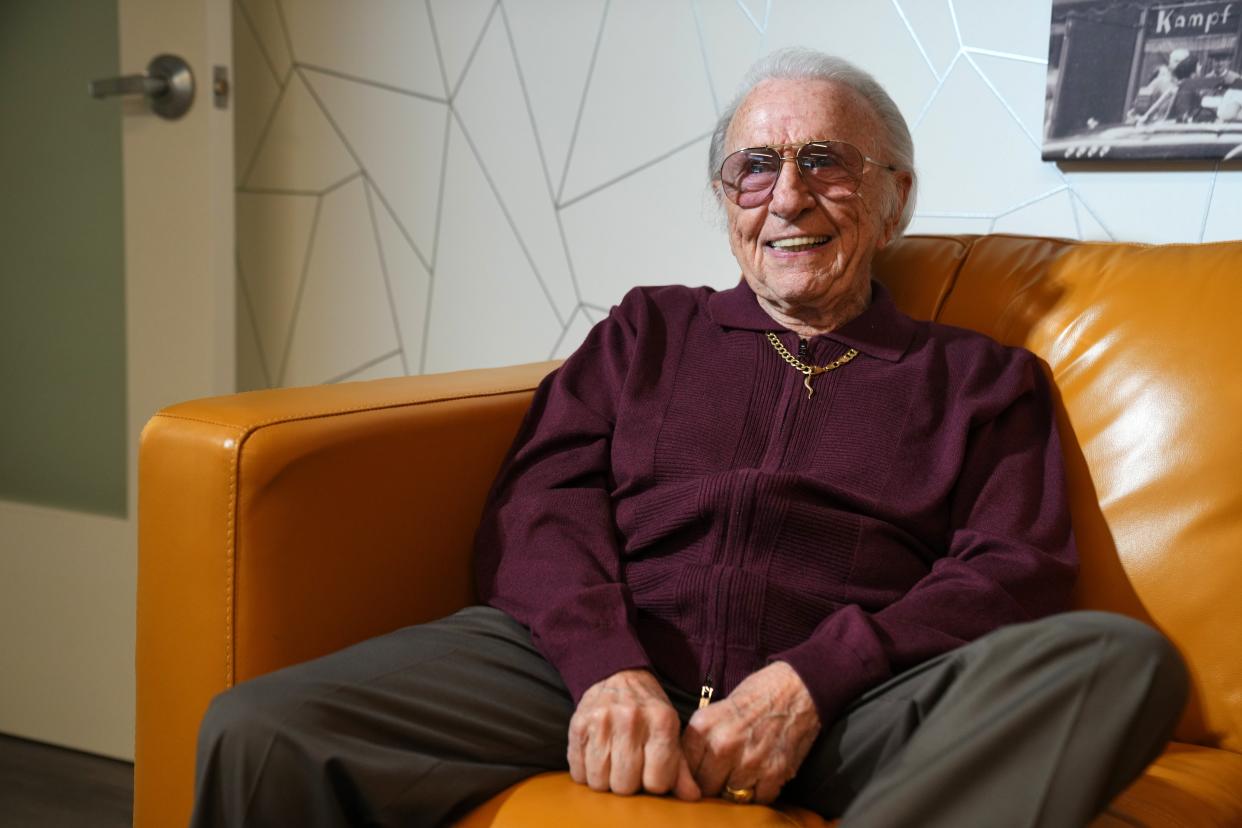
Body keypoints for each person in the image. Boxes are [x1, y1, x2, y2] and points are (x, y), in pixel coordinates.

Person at [190, 49, 1188, 827]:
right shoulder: (647, 331)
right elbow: (540, 507)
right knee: (259, 731)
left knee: (1119, 661)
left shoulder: (982, 381)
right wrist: (604, 666)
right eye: (754, 169)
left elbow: (1012, 570)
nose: (787, 197)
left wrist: (811, 682)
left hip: (850, 712)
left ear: (896, 200)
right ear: (726, 202)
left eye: (825, 162)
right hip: (582, 674)